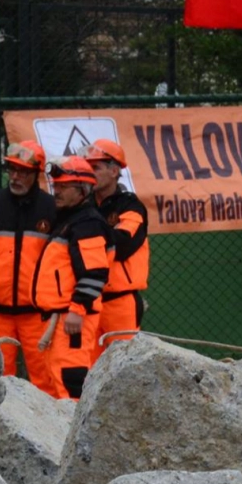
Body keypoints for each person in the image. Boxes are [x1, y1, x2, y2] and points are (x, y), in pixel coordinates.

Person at [0, 140, 60, 396]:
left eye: (23, 171)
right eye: (12, 169)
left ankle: (49, 423)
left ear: (36, 173)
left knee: (45, 379)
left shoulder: (51, 208)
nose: (15, 177)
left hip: (37, 312)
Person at [32, 156, 110, 399]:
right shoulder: (70, 220)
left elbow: (95, 272)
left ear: (83, 190)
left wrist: (77, 309)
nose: (57, 191)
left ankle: (75, 423)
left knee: (70, 378)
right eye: (56, 185)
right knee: (58, 378)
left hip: (73, 318)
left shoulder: (87, 223)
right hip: (63, 316)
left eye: (65, 186)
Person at [85, 139, 150, 358]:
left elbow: (122, 245)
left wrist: (87, 240)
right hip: (86, 300)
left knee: (124, 366)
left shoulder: (131, 206)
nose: (90, 172)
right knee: (86, 368)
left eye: (96, 167)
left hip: (120, 302)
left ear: (114, 171)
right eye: (87, 167)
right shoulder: (83, 205)